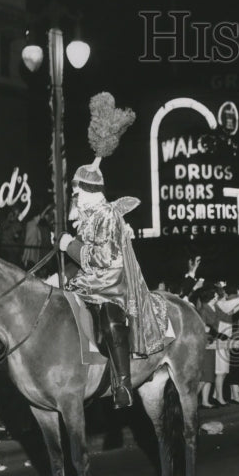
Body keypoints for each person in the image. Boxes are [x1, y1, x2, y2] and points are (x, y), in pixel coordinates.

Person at [58, 162, 165, 409]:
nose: (75, 197)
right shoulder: (89, 217)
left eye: (78, 192)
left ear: (90, 191)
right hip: (88, 278)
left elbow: (103, 257)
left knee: (109, 317)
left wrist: (69, 246)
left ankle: (124, 384)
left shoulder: (105, 215)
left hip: (110, 280)